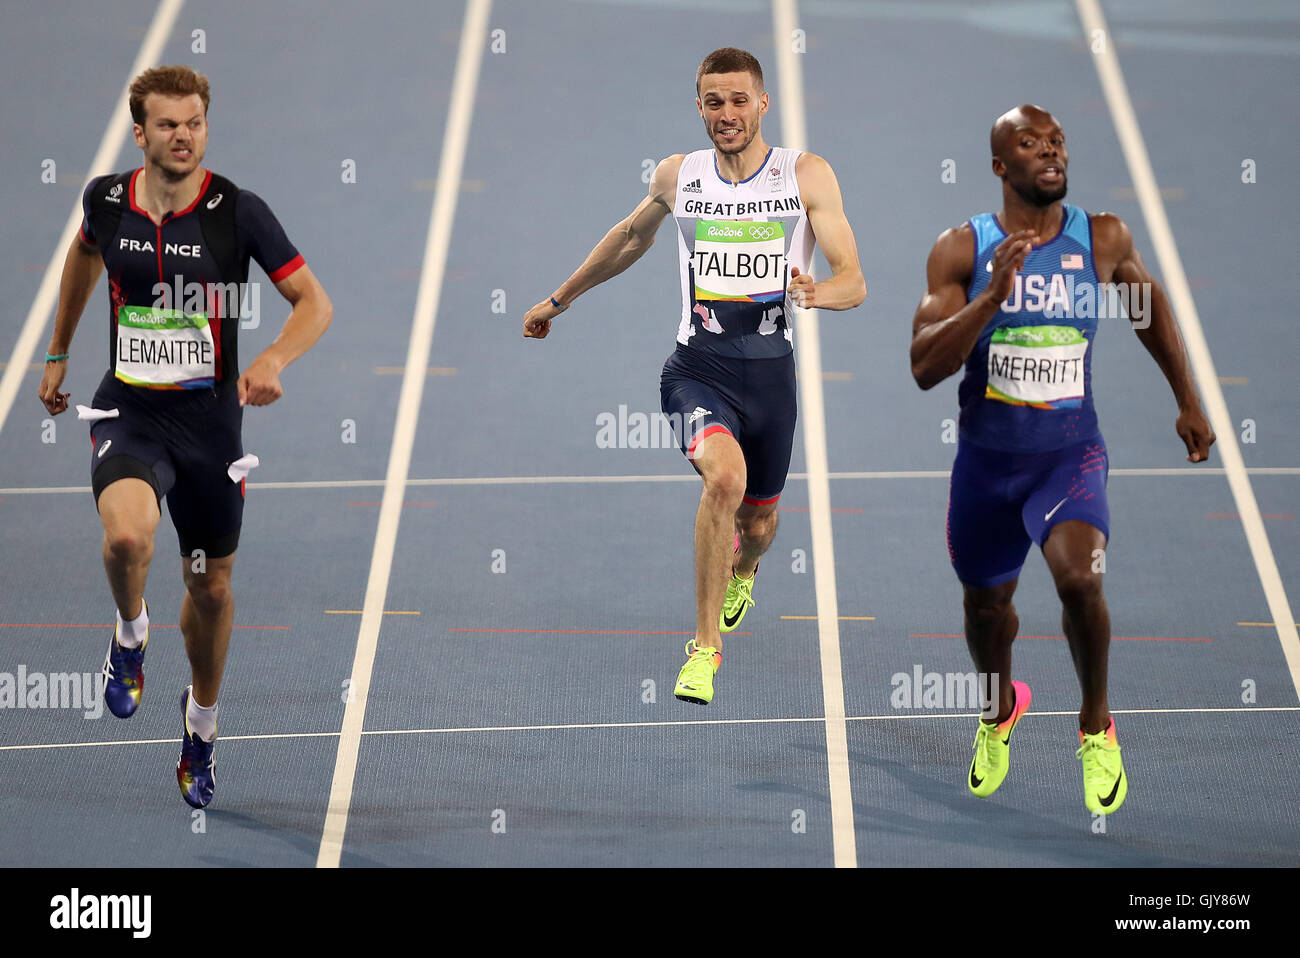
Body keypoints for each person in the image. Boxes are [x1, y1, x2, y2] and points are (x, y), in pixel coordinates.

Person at [524, 47, 864, 705]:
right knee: (725, 481)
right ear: (700, 107)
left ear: (762, 103)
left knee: (759, 524)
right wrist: (557, 301)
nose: (727, 113)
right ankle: (704, 649)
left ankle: (746, 565)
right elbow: (629, 238)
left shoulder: (806, 176)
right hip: (695, 373)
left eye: (739, 100)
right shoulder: (680, 176)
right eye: (714, 101)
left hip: (771, 382)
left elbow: (855, 277)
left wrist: (822, 292)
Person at [37, 65, 332, 808]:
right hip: (132, 416)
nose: (183, 136)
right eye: (168, 124)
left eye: (194, 122)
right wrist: (59, 349)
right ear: (140, 132)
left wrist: (271, 358)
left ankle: (200, 727)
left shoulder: (239, 213)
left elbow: (312, 302)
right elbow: (82, 257)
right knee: (129, 541)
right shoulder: (106, 202)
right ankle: (130, 639)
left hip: (208, 431)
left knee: (210, 586)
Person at [909, 104, 1214, 814]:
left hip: (1068, 458)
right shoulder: (960, 250)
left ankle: (1096, 723)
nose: (1050, 153)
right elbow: (924, 367)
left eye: (1057, 142)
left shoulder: (1101, 238)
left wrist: (1188, 399)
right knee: (988, 610)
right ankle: (998, 712)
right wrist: (991, 299)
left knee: (1080, 579)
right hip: (987, 466)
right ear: (999, 167)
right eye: (1029, 144)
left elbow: (1149, 307)